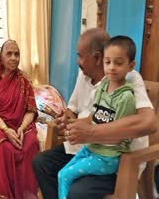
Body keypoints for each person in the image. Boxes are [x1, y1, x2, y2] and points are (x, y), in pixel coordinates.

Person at [32, 28, 158, 199]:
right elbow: (81, 113)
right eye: (109, 62)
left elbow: (148, 123)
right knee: (42, 163)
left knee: (77, 190)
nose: (77, 61)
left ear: (97, 58)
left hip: (114, 156)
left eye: (80, 56)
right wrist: (67, 123)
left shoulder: (128, 80)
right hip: (86, 147)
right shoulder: (88, 78)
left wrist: (91, 132)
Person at [58, 35, 137, 199]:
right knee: (62, 174)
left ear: (131, 66)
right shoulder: (103, 88)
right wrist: (73, 127)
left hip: (107, 157)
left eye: (119, 63)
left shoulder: (126, 97)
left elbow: (119, 135)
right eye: (108, 62)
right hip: (91, 148)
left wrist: (88, 133)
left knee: (66, 177)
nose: (112, 67)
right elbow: (93, 117)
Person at [0, 40, 39, 199]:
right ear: (1, 57)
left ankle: (26, 194)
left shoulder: (24, 79)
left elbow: (31, 110)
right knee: (3, 149)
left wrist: (22, 127)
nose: (14, 58)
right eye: (9, 54)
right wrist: (6, 130)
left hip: (20, 123)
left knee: (31, 144)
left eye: (17, 54)